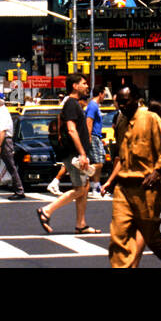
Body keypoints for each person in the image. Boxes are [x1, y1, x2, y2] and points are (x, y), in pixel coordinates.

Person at [107, 85, 161, 268]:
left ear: (137, 99)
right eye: (118, 102)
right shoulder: (121, 122)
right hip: (124, 189)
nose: (121, 106)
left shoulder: (151, 119)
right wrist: (111, 180)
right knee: (118, 236)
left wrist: (158, 171)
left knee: (157, 241)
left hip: (148, 189)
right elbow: (121, 156)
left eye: (125, 101)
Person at [37, 74, 96, 234]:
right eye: (83, 83)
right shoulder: (71, 104)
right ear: (75, 86)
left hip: (76, 153)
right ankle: (47, 210)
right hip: (74, 154)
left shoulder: (74, 104)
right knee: (81, 189)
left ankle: (81, 224)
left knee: (84, 186)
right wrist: (82, 153)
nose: (86, 86)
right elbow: (71, 129)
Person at [85, 84, 107, 197]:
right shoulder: (93, 105)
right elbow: (89, 121)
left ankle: (96, 188)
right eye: (104, 94)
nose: (104, 97)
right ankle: (87, 169)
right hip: (93, 136)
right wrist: (89, 137)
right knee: (99, 162)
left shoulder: (95, 105)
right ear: (100, 93)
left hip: (96, 136)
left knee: (98, 160)